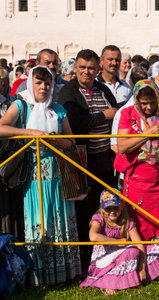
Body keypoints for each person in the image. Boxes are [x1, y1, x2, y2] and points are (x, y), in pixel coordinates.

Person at [0, 66, 82, 287]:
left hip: (59, 175)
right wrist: (30, 133)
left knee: (60, 220)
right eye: (39, 82)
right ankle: (41, 276)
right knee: (40, 221)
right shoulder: (21, 105)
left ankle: (64, 274)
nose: (43, 87)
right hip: (33, 177)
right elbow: (1, 127)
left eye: (47, 83)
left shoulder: (58, 110)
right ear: (30, 83)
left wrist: (54, 141)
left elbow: (72, 141)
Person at [58, 49, 118, 268]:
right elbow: (74, 122)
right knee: (83, 211)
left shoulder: (102, 90)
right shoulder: (68, 92)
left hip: (105, 159)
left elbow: (116, 116)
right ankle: (84, 260)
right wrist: (102, 116)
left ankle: (106, 253)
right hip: (81, 162)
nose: (86, 72)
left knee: (105, 207)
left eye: (91, 68)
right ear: (75, 68)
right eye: (82, 67)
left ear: (97, 69)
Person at [117, 80, 159, 245]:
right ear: (137, 101)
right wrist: (148, 133)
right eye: (144, 103)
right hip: (138, 178)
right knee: (139, 219)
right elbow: (122, 147)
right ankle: (142, 252)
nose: (149, 107)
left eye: (153, 102)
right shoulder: (128, 114)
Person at [80, 190, 159, 295]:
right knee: (132, 252)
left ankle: (135, 276)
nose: (112, 212)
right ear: (102, 208)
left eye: (115, 207)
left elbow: (139, 243)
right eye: (108, 208)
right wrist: (117, 242)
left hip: (123, 252)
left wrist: (141, 268)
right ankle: (109, 282)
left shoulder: (128, 221)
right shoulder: (98, 219)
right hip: (105, 257)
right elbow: (92, 236)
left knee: (154, 249)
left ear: (122, 206)